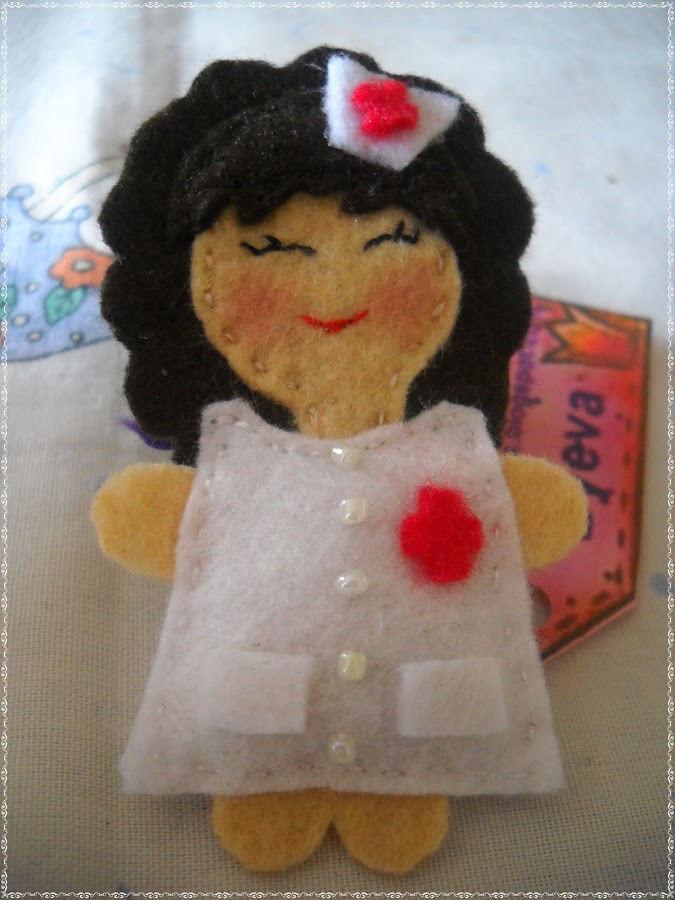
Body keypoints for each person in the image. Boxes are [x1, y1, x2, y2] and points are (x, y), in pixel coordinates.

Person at [93, 47, 587, 874]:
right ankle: (266, 784)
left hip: (431, 705)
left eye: (391, 239)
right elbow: (151, 527)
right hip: (252, 697)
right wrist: (165, 514)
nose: (333, 288)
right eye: (273, 250)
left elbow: (541, 517)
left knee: (421, 738)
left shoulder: (452, 442)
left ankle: (395, 789)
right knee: (254, 735)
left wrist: (514, 507)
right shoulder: (232, 447)